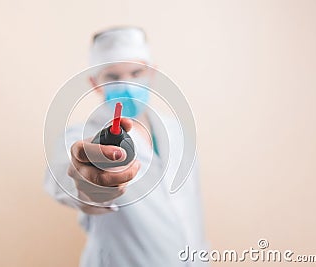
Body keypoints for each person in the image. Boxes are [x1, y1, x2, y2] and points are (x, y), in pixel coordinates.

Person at [45, 26, 208, 267]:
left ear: (151, 74)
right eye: (112, 76)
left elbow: (191, 208)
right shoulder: (79, 137)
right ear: (95, 83)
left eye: (136, 72)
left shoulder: (178, 131)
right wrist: (88, 183)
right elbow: (60, 177)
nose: (127, 84)